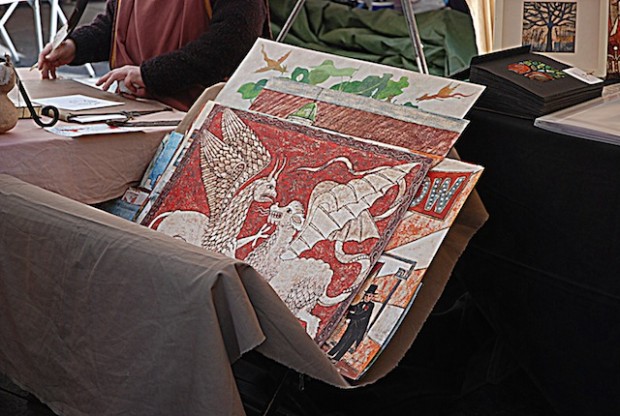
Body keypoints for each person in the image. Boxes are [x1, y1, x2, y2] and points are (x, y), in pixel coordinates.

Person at [37, 0, 271, 111]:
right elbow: (115, 25)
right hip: (132, 108)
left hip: (197, 116)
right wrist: (75, 46)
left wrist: (149, 75)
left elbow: (231, 44)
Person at [327, 284, 378, 362]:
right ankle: (331, 353)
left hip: (360, 328)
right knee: (344, 339)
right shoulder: (359, 302)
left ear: (372, 297)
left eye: (370, 296)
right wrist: (350, 314)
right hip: (352, 324)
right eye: (367, 295)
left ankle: (336, 358)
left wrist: (351, 316)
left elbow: (363, 315)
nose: (367, 297)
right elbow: (351, 308)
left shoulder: (371, 305)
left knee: (348, 343)